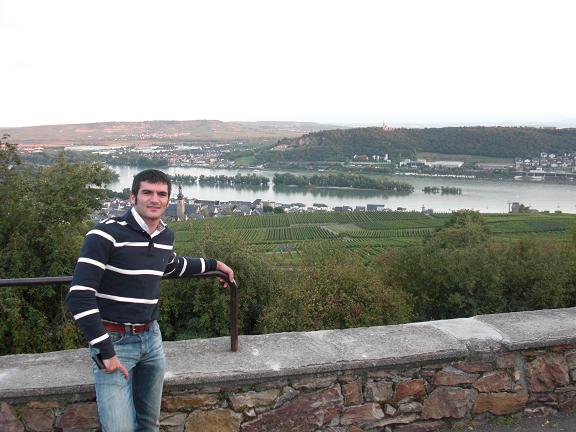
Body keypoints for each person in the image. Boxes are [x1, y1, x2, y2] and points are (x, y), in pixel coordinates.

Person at [65, 169, 235, 432]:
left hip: (151, 340)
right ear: (133, 197)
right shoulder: (104, 234)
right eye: (147, 192)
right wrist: (105, 351)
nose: (155, 199)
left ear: (168, 200)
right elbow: (79, 296)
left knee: (149, 424)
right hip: (114, 341)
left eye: (161, 194)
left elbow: (170, 266)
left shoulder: (165, 236)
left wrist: (214, 265)